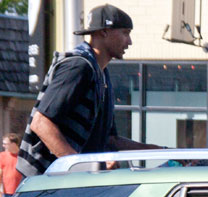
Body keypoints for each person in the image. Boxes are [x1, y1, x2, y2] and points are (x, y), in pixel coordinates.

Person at [16, 4, 163, 178]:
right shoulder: (78, 65)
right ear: (104, 32)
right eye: (125, 33)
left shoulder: (100, 73)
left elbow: (110, 139)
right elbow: (41, 123)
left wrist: (160, 152)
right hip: (44, 181)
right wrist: (79, 169)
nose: (129, 42)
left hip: (67, 181)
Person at [0, 133, 22, 197]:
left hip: (21, 192)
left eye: (5, 144)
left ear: (13, 144)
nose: (3, 146)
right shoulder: (2, 156)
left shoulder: (23, 156)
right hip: (7, 193)